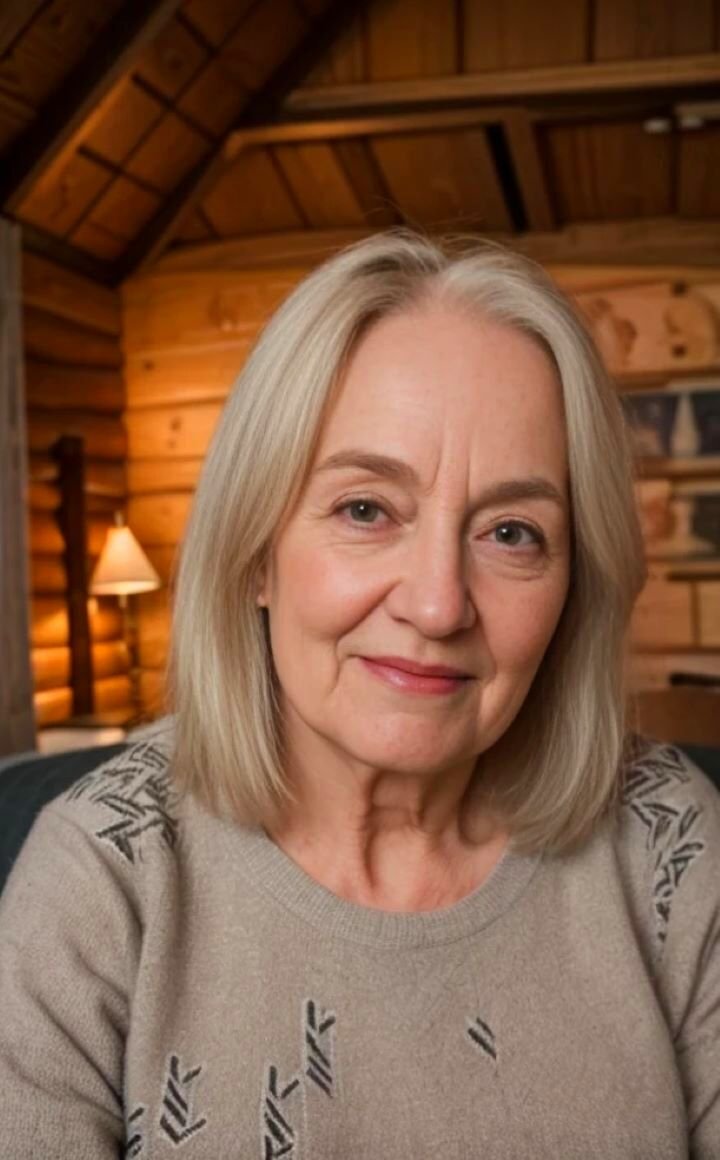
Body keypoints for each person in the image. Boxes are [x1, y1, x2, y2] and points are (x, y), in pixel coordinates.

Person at [1, 230, 719, 1158]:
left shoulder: (673, 845)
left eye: (511, 532)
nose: (437, 604)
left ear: (573, 584)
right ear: (257, 555)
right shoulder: (100, 881)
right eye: (366, 510)